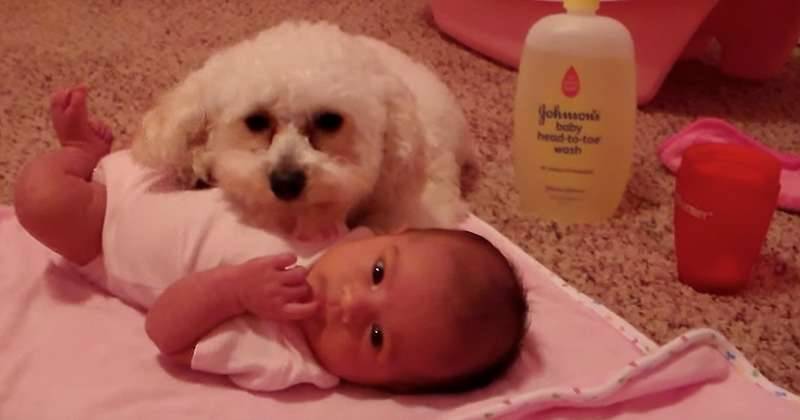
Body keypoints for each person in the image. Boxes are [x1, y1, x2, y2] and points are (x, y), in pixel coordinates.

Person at [14, 86, 529, 393]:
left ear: (386, 387)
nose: (350, 306)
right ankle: (107, 154)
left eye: (376, 337)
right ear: (393, 235)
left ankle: (79, 151)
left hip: (108, 231)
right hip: (175, 180)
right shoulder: (341, 229)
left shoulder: (283, 353)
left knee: (39, 198)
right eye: (377, 273)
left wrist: (236, 292)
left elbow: (165, 331)